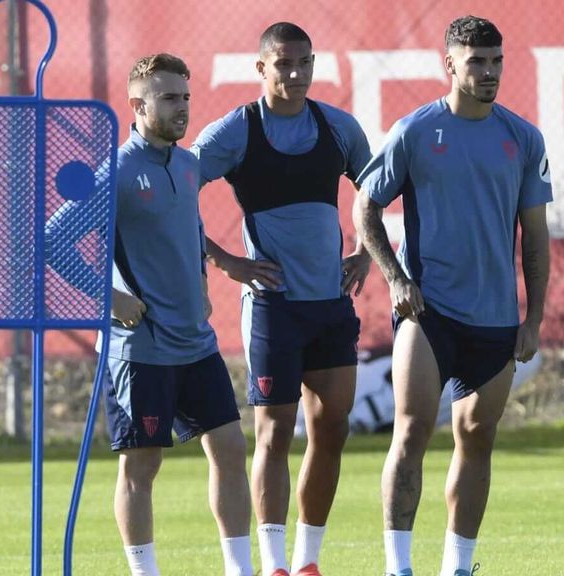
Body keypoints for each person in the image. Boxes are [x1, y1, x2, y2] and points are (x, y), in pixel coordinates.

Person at [355, 16, 552, 576]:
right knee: (412, 430)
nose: (489, 72)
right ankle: (397, 567)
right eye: (476, 62)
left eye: (496, 61)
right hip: (429, 314)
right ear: (450, 64)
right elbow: (365, 207)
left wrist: (532, 318)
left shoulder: (523, 137)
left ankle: (457, 567)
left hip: (495, 320)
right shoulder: (415, 131)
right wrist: (396, 279)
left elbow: (535, 238)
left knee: (476, 437)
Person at [45, 53, 253, 576]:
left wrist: (202, 284)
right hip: (140, 348)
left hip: (195, 341)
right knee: (143, 466)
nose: (181, 107)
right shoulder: (115, 171)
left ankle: (240, 568)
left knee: (230, 448)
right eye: (168, 98)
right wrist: (108, 297)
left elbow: (189, 230)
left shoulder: (187, 165)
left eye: (184, 96)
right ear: (137, 105)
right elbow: (53, 240)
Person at [191, 22, 373, 576]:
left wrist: (366, 252)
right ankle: (271, 565)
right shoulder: (237, 131)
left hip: (330, 306)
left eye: (305, 63)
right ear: (261, 69)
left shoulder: (339, 128)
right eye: (284, 64)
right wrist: (226, 261)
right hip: (273, 306)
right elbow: (175, 193)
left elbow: (374, 190)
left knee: (332, 427)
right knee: (273, 433)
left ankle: (307, 561)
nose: (295, 74)